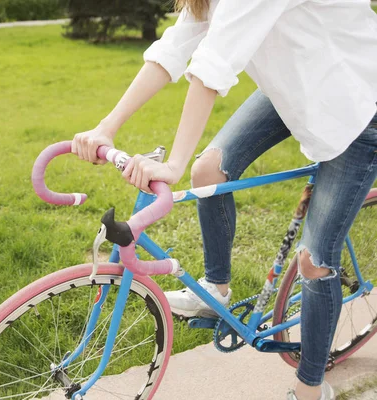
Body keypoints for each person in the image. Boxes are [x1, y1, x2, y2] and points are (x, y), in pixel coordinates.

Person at [71, 0, 377, 399]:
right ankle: (216, 290)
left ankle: (311, 389)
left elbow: (212, 67)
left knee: (315, 259)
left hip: (358, 106)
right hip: (293, 86)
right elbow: (173, 48)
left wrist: (174, 162)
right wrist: (105, 128)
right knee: (208, 173)